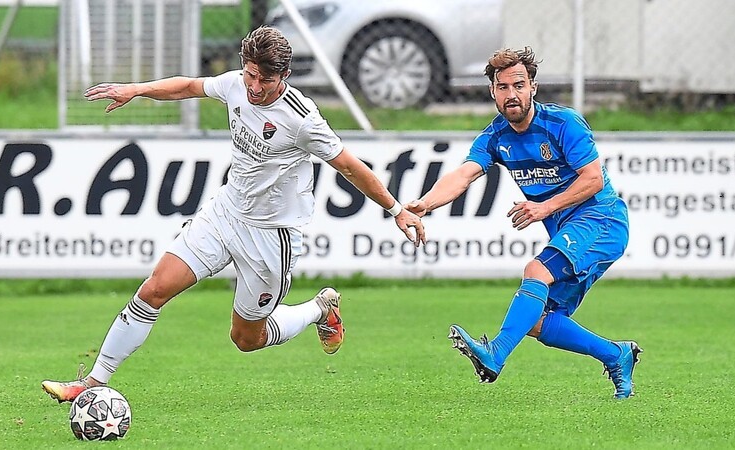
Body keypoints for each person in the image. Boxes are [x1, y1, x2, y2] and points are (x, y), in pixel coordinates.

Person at [42, 25, 426, 403]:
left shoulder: (302, 119)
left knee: (246, 340)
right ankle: (92, 383)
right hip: (224, 214)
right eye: (251, 75)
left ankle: (319, 309)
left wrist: (394, 209)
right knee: (155, 288)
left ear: (285, 77)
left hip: (269, 236)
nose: (256, 88)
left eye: (267, 80)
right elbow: (189, 86)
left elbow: (348, 165)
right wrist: (136, 90)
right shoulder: (236, 85)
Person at [406, 47, 642, 399]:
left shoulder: (563, 123)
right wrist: (425, 203)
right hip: (569, 230)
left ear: (533, 86)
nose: (511, 94)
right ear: (492, 92)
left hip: (601, 220)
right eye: (503, 87)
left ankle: (496, 354)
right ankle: (616, 354)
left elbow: (592, 179)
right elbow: (464, 175)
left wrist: (544, 207)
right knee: (534, 321)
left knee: (535, 271)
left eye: (519, 85)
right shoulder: (496, 136)